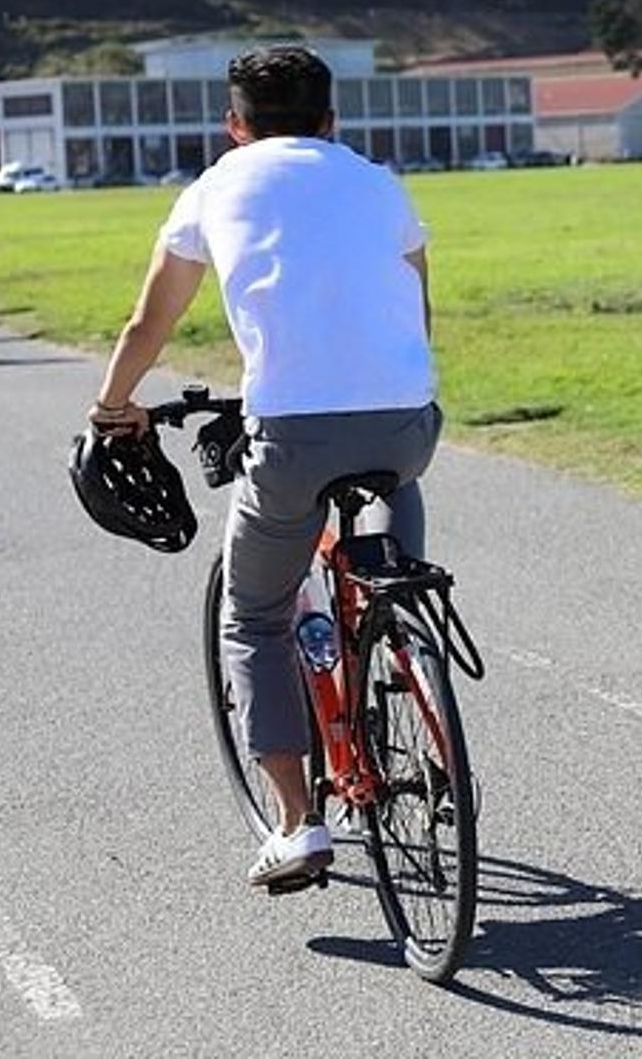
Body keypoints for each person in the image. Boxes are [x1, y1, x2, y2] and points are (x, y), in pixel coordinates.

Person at [86, 46, 441, 888]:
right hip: (405, 423)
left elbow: (148, 324)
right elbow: (415, 308)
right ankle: (401, 624)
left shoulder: (214, 186)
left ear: (233, 126)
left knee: (254, 616)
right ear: (330, 122)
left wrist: (112, 406)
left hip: (291, 435)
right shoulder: (378, 181)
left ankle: (296, 824)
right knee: (393, 505)